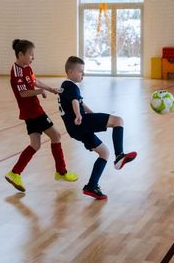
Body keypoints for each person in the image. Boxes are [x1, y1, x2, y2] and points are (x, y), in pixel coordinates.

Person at [58, 56, 137, 200]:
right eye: (80, 71)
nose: (83, 74)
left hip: (75, 129)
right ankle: (119, 155)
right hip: (80, 122)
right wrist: (79, 115)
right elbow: (75, 102)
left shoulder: (65, 87)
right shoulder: (71, 86)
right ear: (70, 72)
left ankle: (91, 186)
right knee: (118, 121)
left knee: (104, 152)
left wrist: (92, 114)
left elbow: (80, 102)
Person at [5, 39, 78, 192]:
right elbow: (23, 93)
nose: (33, 57)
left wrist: (50, 89)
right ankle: (61, 172)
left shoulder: (27, 67)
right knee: (56, 136)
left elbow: (34, 81)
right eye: (31, 54)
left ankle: (15, 173)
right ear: (21, 54)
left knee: (35, 145)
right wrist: (40, 91)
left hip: (31, 111)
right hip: (33, 112)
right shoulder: (16, 71)